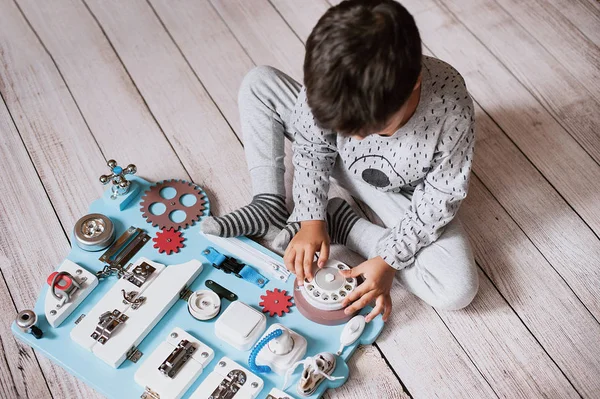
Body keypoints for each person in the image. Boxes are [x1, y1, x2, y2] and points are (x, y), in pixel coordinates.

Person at [201, 0, 479, 322]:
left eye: (374, 129)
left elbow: (440, 198)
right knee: (258, 83)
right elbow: (312, 146)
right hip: (339, 161)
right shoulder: (331, 84)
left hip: (406, 192)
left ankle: (343, 224)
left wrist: (387, 260)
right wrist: (309, 218)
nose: (358, 140)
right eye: (346, 128)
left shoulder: (450, 108)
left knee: (457, 288)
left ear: (414, 81)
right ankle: (269, 202)